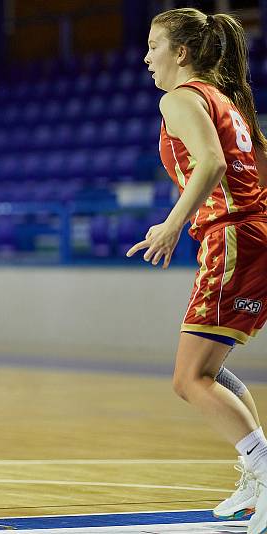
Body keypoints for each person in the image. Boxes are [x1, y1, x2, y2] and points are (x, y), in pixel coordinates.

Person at [130, 8, 267, 533]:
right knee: (210, 369)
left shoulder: (181, 98)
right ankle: (253, 477)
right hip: (244, 235)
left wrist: (170, 224)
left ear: (181, 53)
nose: (146, 57)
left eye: (154, 46)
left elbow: (210, 163)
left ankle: (262, 470)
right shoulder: (223, 99)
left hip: (233, 235)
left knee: (190, 378)